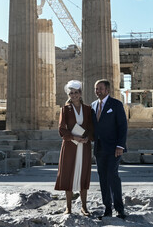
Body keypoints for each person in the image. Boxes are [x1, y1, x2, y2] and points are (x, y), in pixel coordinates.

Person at [54, 80, 94, 215]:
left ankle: (84, 207)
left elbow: (91, 127)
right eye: (71, 93)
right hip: (71, 145)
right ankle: (68, 208)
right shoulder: (65, 109)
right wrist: (73, 137)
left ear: (81, 93)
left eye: (76, 92)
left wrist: (88, 137)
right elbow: (61, 129)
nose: (74, 95)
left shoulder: (88, 109)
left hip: (84, 145)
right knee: (68, 173)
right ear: (68, 94)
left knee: (83, 174)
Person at [91, 78, 128, 219]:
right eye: (96, 88)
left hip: (114, 148)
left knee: (113, 176)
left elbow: (122, 126)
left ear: (107, 90)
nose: (97, 91)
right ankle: (107, 209)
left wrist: (120, 145)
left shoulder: (116, 104)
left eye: (100, 88)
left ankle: (119, 209)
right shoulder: (93, 105)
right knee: (102, 178)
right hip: (99, 148)